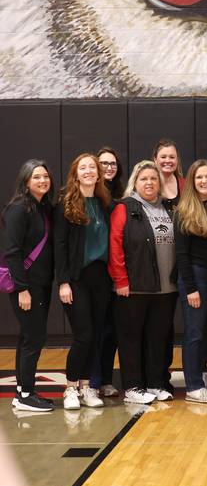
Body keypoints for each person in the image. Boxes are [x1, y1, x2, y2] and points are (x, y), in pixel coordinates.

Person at [108, 160, 177, 404]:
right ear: (135, 182)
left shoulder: (169, 208)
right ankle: (133, 387)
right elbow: (115, 244)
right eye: (144, 179)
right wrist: (121, 280)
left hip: (167, 289)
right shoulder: (125, 207)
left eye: (153, 179)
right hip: (134, 287)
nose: (149, 183)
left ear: (160, 182)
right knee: (131, 339)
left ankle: (155, 383)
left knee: (158, 338)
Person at [54, 154, 111, 410]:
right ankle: (70, 387)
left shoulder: (103, 202)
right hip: (76, 277)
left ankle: (87, 387)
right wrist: (63, 282)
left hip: (100, 277)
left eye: (92, 168)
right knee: (83, 335)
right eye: (83, 168)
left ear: (98, 174)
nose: (88, 171)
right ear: (76, 174)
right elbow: (60, 246)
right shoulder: (66, 204)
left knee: (96, 333)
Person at [4, 160, 55, 412]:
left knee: (28, 338)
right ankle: (25, 394)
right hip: (26, 287)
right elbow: (12, 253)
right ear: (26, 181)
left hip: (40, 285)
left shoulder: (42, 208)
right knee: (35, 337)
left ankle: (22, 392)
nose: (43, 180)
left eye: (45, 176)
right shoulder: (18, 209)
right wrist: (22, 288)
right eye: (37, 177)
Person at [174, 160, 207, 403]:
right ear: (192, 182)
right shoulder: (184, 211)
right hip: (195, 277)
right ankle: (194, 386)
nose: (204, 181)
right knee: (196, 332)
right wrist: (191, 288)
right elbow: (181, 255)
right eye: (199, 178)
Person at [93, 147, 124, 397]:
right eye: (103, 163)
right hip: (96, 273)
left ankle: (105, 378)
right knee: (95, 330)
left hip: (118, 272)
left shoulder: (123, 195)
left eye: (112, 163)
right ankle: (92, 381)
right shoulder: (91, 195)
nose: (108, 167)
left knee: (113, 330)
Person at [152, 139, 184, 210]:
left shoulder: (186, 185)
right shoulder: (148, 185)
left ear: (177, 160)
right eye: (163, 157)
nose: (168, 160)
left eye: (172, 157)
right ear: (155, 159)